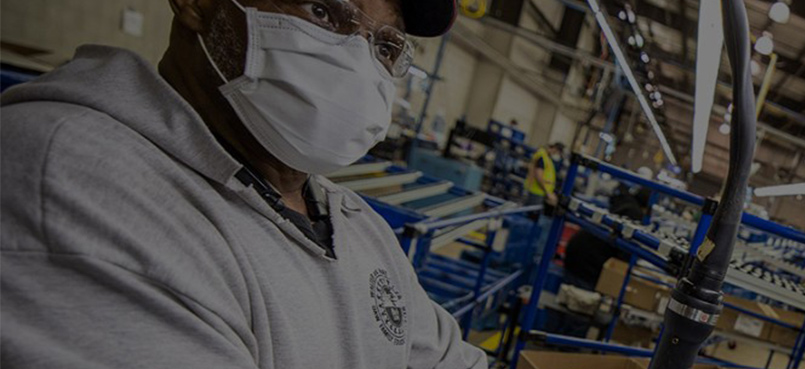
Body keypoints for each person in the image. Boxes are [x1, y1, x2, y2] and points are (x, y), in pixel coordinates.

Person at [0, 0, 486, 368]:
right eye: (324, 11)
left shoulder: (358, 226)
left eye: (384, 45)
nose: (357, 61)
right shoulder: (77, 178)